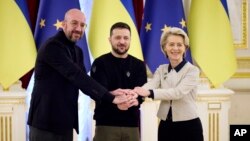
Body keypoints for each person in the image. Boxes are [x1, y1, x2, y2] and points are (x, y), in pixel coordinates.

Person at [27, 9, 127, 141]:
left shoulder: (78, 51)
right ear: (64, 24)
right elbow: (76, 75)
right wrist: (110, 98)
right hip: (45, 123)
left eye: (82, 25)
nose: (79, 29)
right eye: (74, 23)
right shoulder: (52, 46)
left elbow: (84, 81)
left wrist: (110, 93)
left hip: (66, 124)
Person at [134, 27, 203, 141]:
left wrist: (148, 93)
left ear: (185, 48)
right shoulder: (161, 69)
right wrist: (135, 92)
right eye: (171, 44)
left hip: (189, 126)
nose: (175, 48)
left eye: (179, 45)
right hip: (166, 125)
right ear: (164, 47)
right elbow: (151, 84)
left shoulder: (193, 70)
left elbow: (177, 93)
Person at [90, 22, 147, 141]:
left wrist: (135, 100)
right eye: (117, 37)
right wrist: (115, 98)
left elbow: (142, 93)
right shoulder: (99, 63)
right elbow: (98, 92)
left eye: (126, 38)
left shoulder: (139, 65)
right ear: (110, 40)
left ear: (130, 40)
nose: (122, 41)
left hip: (132, 126)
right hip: (106, 125)